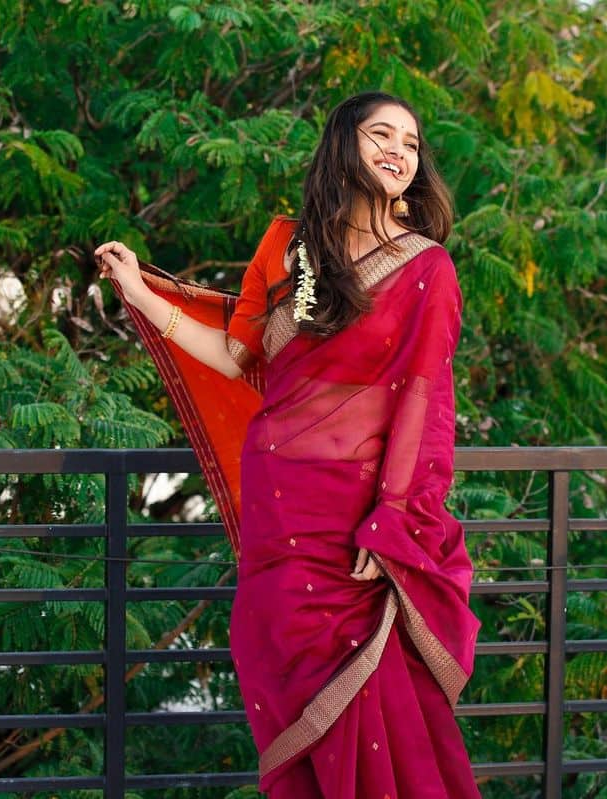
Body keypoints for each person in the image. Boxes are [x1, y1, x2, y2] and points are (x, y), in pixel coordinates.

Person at [95, 91, 482, 799]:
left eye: (411, 142)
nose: (399, 151)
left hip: (353, 526)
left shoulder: (427, 270)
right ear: (343, 144)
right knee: (281, 687)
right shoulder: (289, 246)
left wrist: (395, 518)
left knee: (372, 710)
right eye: (380, 135)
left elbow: (423, 400)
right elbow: (239, 355)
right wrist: (142, 293)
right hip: (279, 520)